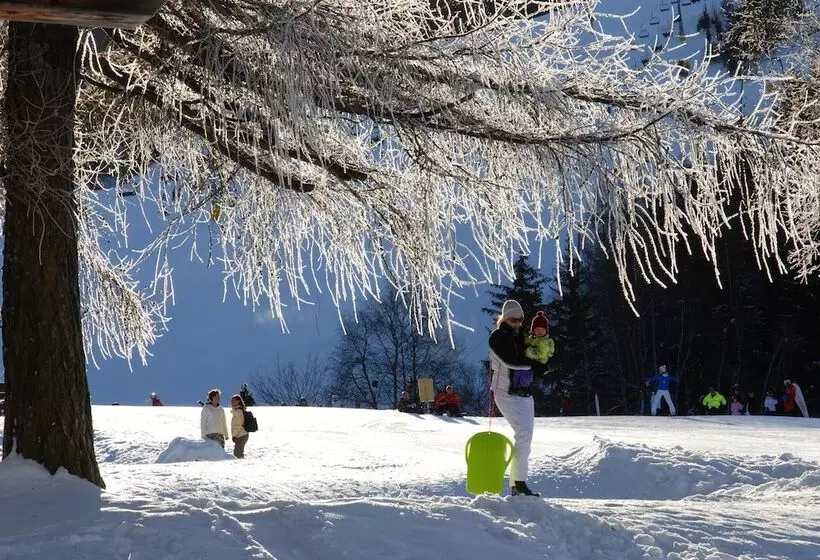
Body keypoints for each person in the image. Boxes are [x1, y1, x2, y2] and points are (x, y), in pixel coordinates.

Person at [489, 299, 550, 497]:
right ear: (505, 318)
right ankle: (519, 484)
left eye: (520, 320)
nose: (517, 323)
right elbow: (512, 361)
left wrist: (542, 360)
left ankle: (518, 484)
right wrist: (533, 364)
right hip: (504, 392)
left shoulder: (520, 336)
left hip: (523, 391)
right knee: (523, 434)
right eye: (513, 319)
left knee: (526, 437)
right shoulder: (497, 337)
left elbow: (530, 358)